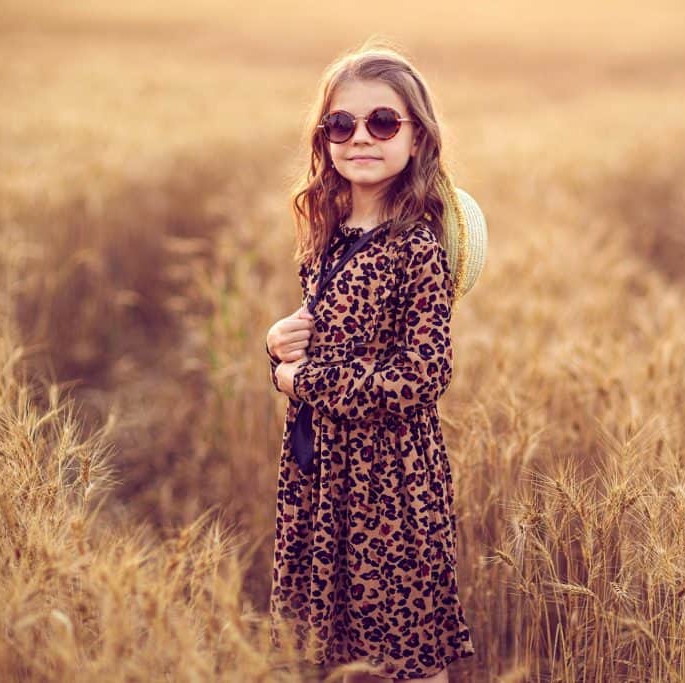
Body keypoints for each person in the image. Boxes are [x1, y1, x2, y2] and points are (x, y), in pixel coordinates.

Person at [264, 40, 477, 683]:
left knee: (403, 649)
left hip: (390, 481)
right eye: (341, 124)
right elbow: (313, 349)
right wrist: (276, 345)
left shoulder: (416, 245)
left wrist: (307, 379)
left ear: (417, 137)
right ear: (324, 139)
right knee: (330, 648)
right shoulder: (328, 235)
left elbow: (424, 374)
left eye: (383, 121)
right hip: (320, 473)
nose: (361, 136)